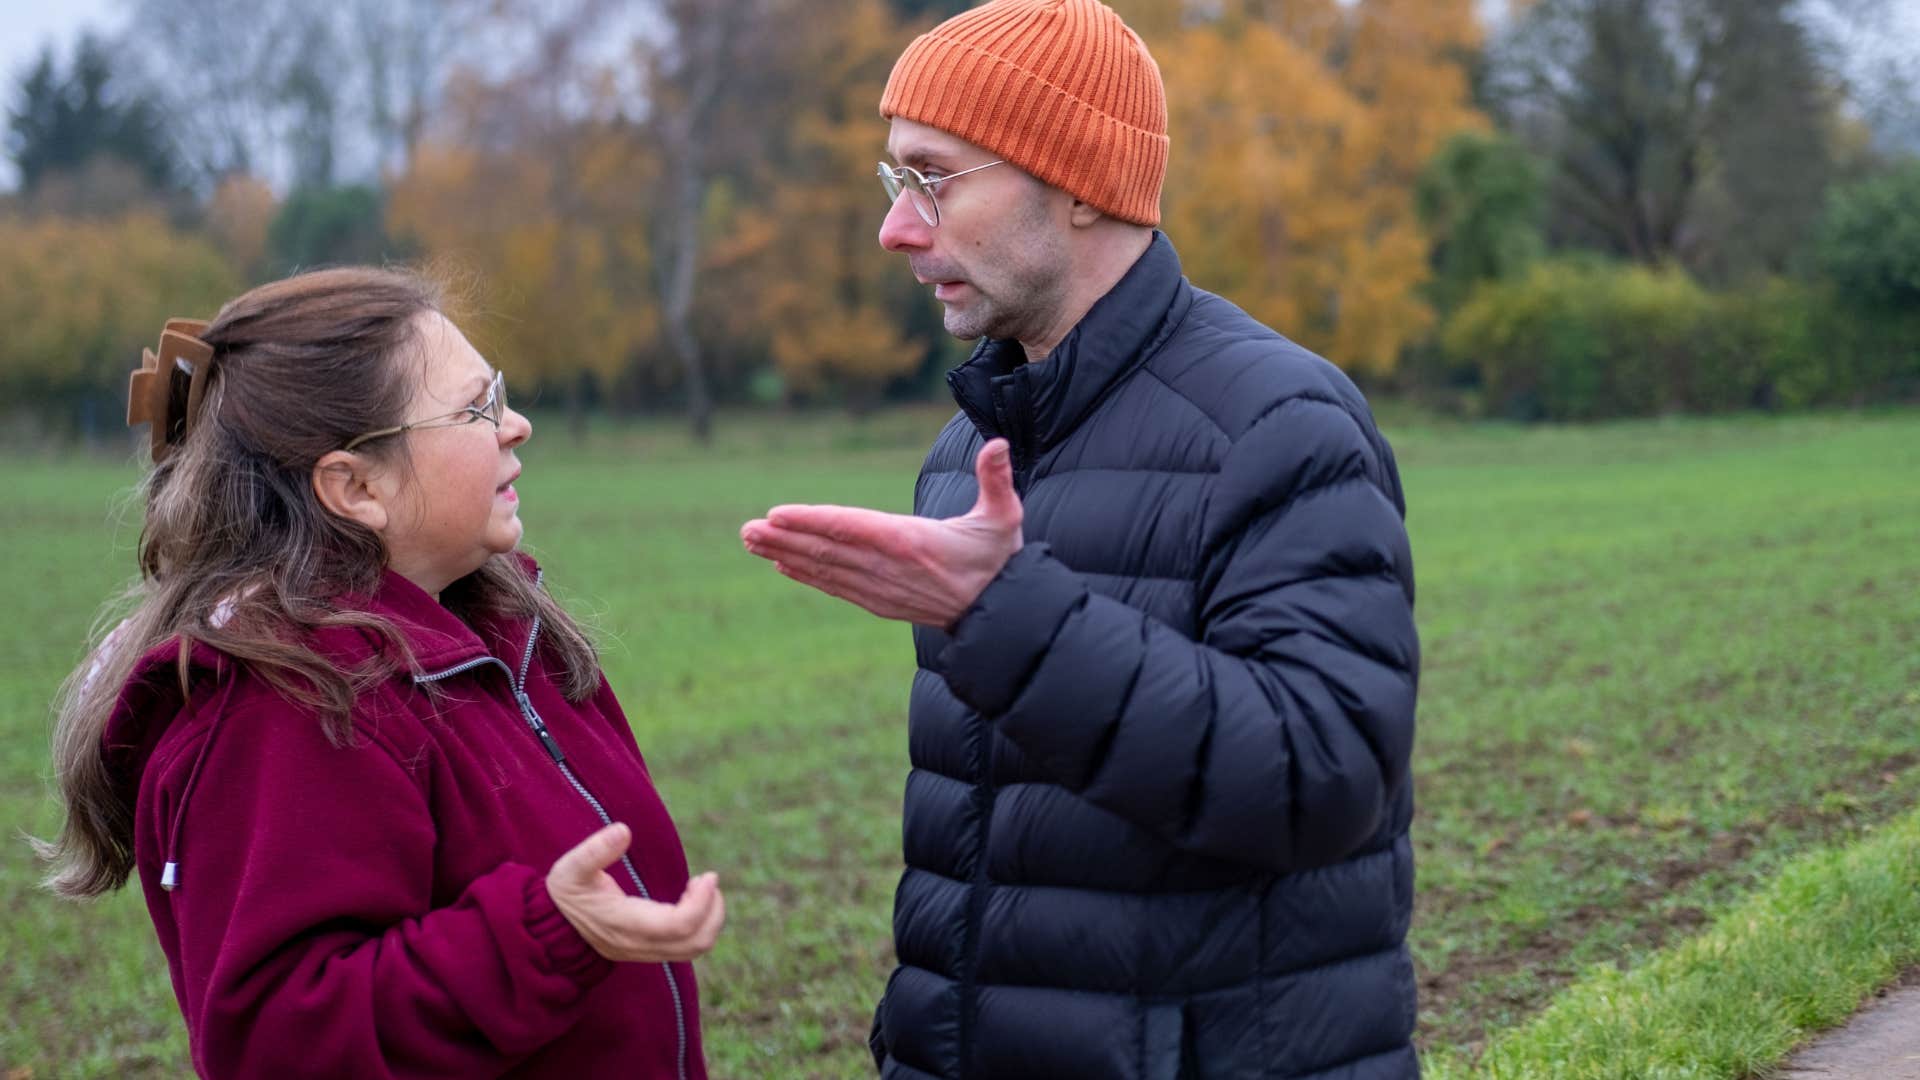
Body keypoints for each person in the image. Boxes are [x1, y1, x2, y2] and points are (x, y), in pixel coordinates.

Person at [740, 0, 1421, 1075]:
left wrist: (1007, 614)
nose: (896, 227)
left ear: (1074, 183)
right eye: (893, 180)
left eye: (934, 176)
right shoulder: (965, 448)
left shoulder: (1277, 424)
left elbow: (1321, 774)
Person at [40, 268, 723, 1079]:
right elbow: (276, 1042)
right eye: (477, 409)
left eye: (499, 394)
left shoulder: (505, 634)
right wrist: (544, 934)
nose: (518, 425)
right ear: (354, 486)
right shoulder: (292, 708)